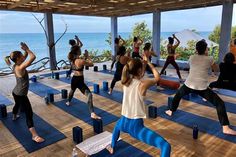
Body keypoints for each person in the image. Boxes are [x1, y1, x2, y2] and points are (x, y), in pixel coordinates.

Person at [165, 40, 236, 135]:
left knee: (178, 95)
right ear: (206, 49)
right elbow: (216, 69)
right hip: (202, 87)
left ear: (196, 49)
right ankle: (225, 128)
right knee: (219, 103)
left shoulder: (192, 57)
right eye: (206, 48)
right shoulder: (210, 59)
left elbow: (191, 65)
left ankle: (170, 110)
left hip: (189, 84)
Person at [106, 56, 171, 157]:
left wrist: (143, 65)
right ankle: (112, 146)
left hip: (123, 122)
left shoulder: (125, 82)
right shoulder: (143, 84)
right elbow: (158, 78)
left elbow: (138, 75)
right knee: (165, 146)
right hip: (135, 127)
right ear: (139, 70)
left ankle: (112, 146)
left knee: (116, 127)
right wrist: (149, 63)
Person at [5, 42, 44, 143]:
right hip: (21, 95)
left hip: (16, 92)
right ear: (18, 59)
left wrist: (26, 51)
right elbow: (33, 57)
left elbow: (26, 57)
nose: (24, 57)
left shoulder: (15, 65)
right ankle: (34, 135)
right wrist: (27, 49)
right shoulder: (20, 67)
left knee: (17, 105)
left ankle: (14, 115)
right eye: (22, 56)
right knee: (29, 113)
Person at [67, 46, 101, 119]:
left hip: (74, 79)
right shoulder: (80, 60)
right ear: (77, 52)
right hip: (79, 81)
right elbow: (91, 64)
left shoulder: (72, 60)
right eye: (79, 50)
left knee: (72, 90)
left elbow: (81, 63)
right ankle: (92, 113)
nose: (80, 50)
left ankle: (68, 101)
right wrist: (88, 56)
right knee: (89, 95)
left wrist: (84, 58)